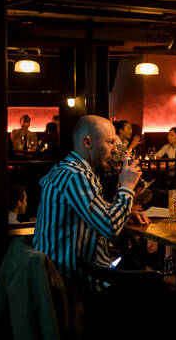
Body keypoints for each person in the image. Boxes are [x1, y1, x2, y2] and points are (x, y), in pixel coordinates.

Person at [33, 115, 146, 279]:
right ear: (88, 143)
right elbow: (110, 227)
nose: (115, 149)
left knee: (135, 268)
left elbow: (95, 214)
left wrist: (125, 214)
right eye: (110, 142)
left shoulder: (67, 169)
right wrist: (127, 187)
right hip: (71, 280)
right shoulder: (76, 176)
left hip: (64, 271)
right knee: (150, 283)